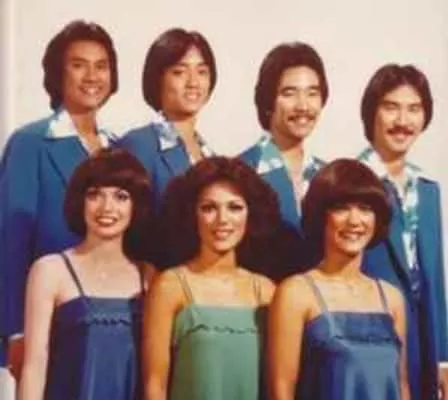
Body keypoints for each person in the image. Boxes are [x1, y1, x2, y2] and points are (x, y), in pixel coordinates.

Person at [0, 20, 119, 370]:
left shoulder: (118, 147)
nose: (92, 76)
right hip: (50, 319)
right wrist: (14, 330)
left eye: (101, 66)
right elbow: (10, 240)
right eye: (78, 65)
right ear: (57, 73)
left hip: (111, 318)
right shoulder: (30, 143)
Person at [19, 148, 156, 400]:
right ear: (80, 201)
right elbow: (34, 366)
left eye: (121, 197)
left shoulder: (149, 276)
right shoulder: (51, 270)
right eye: (95, 195)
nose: (106, 207)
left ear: (136, 206)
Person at [268, 159, 409, 400]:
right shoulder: (296, 293)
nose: (354, 221)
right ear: (321, 215)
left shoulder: (391, 298)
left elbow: (402, 387)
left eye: (365, 208)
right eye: (341, 208)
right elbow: (281, 390)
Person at [143, 156, 277, 400]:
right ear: (191, 214)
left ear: (252, 214)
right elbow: (155, 385)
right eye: (209, 208)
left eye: (234, 207)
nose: (222, 219)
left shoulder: (266, 291)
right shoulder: (171, 285)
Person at [357, 64, 448, 400]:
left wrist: (443, 357)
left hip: (424, 345)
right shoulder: (352, 182)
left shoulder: (428, 189)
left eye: (414, 109)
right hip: (370, 340)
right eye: (391, 107)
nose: (403, 120)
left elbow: (434, 280)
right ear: (372, 113)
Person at [239, 42, 330, 278]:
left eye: (312, 93)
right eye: (289, 93)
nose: (303, 105)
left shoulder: (329, 176)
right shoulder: (240, 172)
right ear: (268, 101)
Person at [118, 27, 217, 208]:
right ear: (158, 79)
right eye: (179, 72)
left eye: (202, 72)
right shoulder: (138, 146)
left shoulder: (209, 155)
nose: (193, 83)